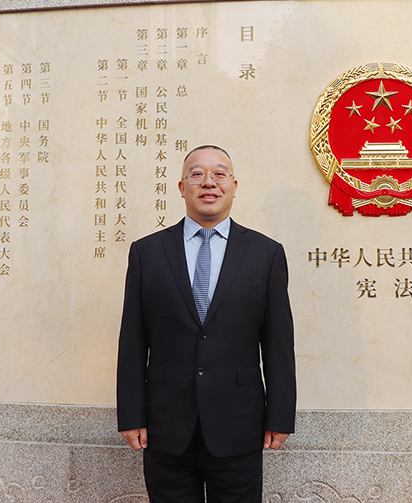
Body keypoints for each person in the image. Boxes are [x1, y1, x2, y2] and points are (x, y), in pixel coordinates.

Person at [116, 145, 296, 503]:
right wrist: (131, 414)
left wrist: (280, 416)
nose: (208, 182)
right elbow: (132, 340)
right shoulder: (147, 252)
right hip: (165, 424)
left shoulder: (265, 253)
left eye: (219, 174)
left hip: (239, 424)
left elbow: (278, 342)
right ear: (182, 187)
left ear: (234, 186)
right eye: (197, 174)